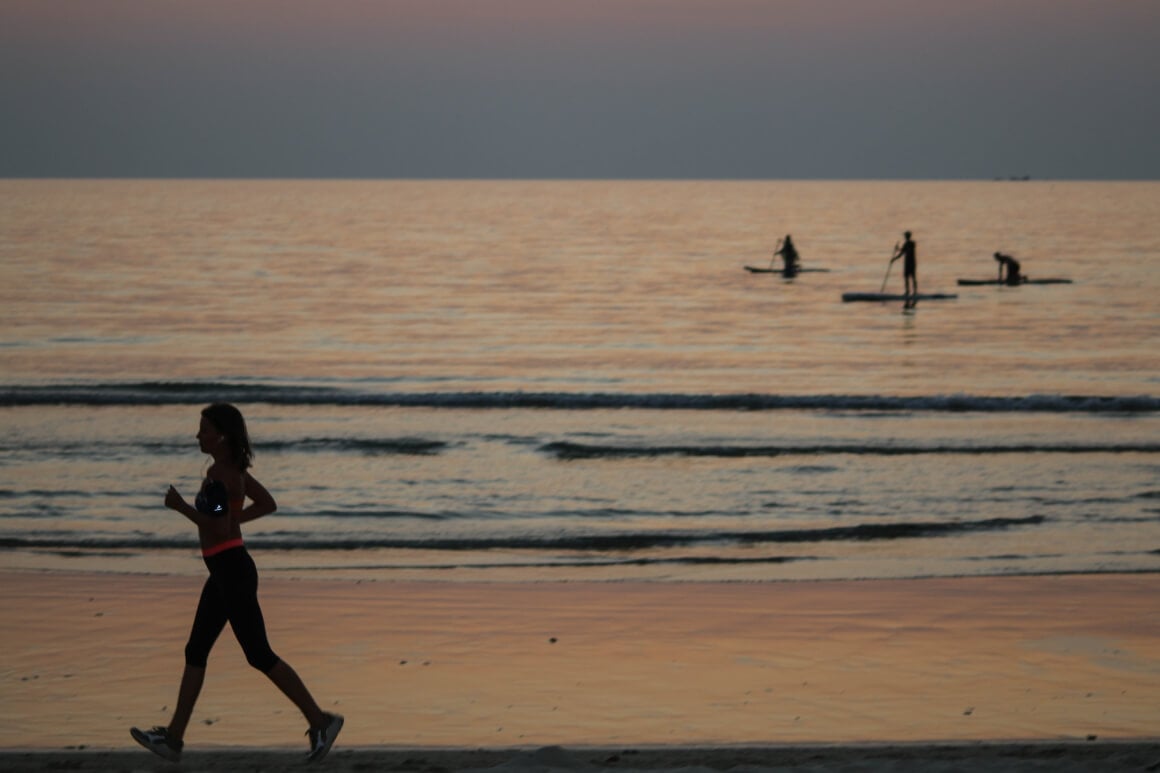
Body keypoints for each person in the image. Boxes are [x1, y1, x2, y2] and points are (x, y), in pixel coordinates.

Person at [131, 403, 343, 764]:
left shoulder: (219, 475)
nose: (198, 435)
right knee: (196, 651)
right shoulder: (234, 472)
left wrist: (181, 506)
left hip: (231, 571)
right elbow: (266, 504)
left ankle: (321, 721)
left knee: (259, 654)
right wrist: (233, 519)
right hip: (226, 570)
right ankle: (174, 739)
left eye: (203, 429)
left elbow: (216, 527)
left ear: (221, 436)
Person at [890, 231, 918, 298]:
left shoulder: (912, 243)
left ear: (908, 236)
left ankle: (915, 292)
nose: (905, 237)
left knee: (913, 277)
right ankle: (907, 291)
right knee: (906, 277)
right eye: (905, 236)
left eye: (905, 236)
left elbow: (907, 250)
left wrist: (899, 249)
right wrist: (894, 259)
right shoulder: (906, 244)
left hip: (912, 263)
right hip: (907, 263)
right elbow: (901, 253)